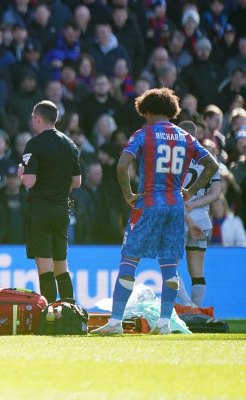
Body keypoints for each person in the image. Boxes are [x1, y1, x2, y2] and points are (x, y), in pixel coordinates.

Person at [92, 88, 218, 336]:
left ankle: (116, 322)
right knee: (170, 266)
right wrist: (190, 192)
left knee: (129, 260)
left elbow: (122, 164)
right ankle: (164, 323)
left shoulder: (143, 134)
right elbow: (211, 165)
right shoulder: (186, 137)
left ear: (148, 113)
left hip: (148, 203)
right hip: (175, 206)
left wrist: (128, 193)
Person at [18, 100, 82, 305]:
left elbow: (30, 180)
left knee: (45, 268)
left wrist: (22, 173)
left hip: (41, 210)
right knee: (61, 267)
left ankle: (49, 316)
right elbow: (77, 182)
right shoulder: (70, 144)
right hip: (62, 209)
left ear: (37, 118)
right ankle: (70, 312)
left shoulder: (34, 144)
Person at [176, 123, 220, 308]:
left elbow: (173, 193)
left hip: (178, 218)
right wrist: (194, 204)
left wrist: (187, 209)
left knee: (170, 267)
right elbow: (215, 194)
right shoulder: (209, 160)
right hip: (202, 219)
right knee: (197, 271)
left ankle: (188, 304)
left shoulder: (174, 159)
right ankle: (197, 312)